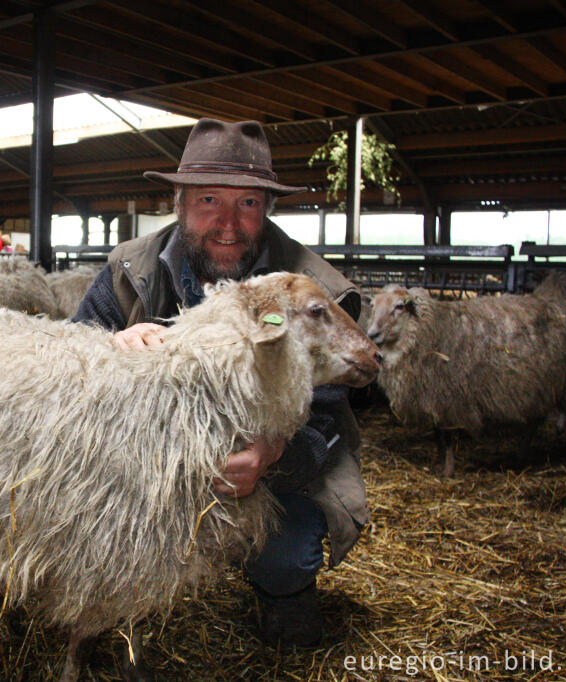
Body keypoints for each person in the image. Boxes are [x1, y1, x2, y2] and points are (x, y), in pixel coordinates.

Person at [72, 118, 368, 648]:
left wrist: (273, 451)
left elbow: (326, 415)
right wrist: (108, 346)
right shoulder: (130, 271)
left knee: (287, 545)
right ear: (180, 202)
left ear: (267, 209)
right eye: (210, 199)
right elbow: (65, 359)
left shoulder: (311, 289)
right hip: (143, 470)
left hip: (269, 474)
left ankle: (285, 592)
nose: (229, 223)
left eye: (249, 203)